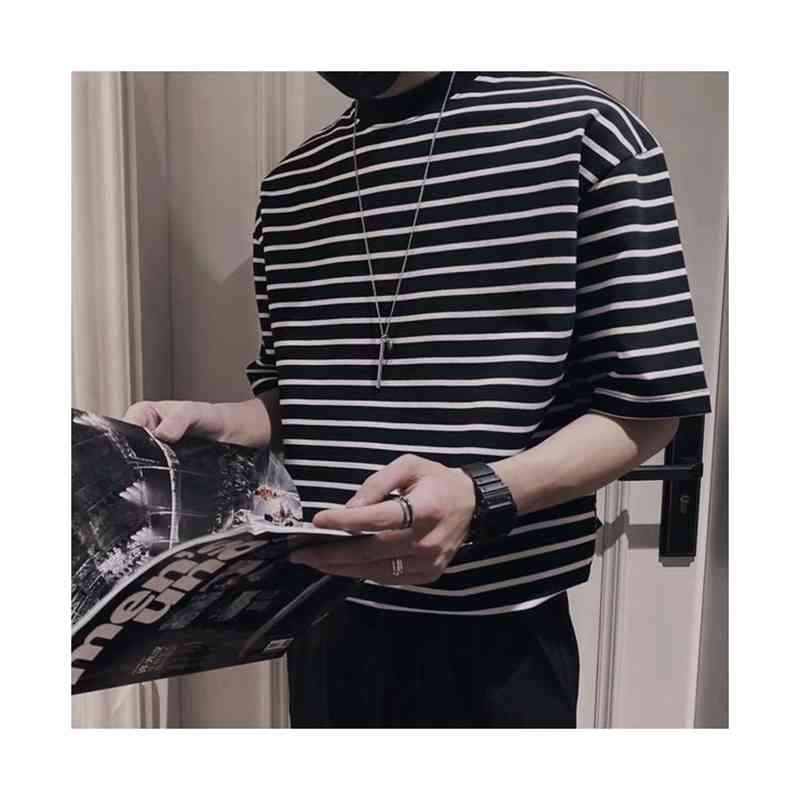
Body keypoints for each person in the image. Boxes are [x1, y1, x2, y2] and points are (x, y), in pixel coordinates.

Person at [125, 71, 712, 728]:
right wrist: (219, 421)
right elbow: (304, 397)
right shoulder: (290, 190)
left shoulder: (584, 135)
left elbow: (647, 408)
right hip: (322, 622)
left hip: (500, 643)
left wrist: (479, 497)